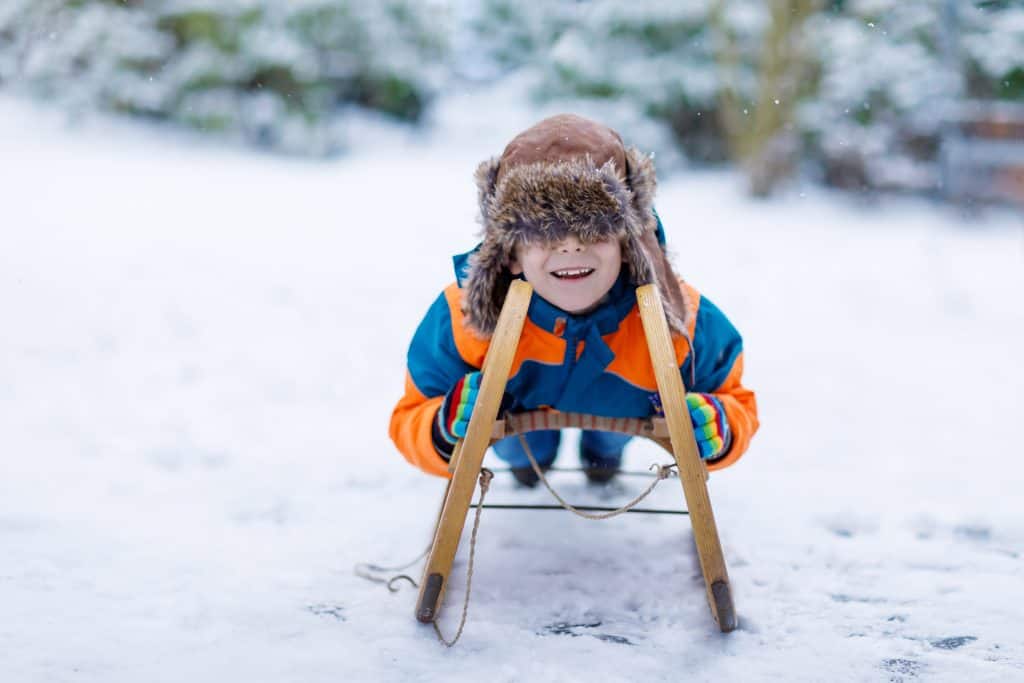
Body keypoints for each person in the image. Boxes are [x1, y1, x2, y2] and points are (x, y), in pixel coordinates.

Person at [389, 113, 758, 486]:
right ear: (511, 254)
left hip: (622, 408)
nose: (570, 247)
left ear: (628, 246)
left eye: (594, 231)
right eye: (544, 233)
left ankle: (604, 453)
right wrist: (441, 427)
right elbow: (411, 413)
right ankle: (531, 460)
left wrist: (718, 426)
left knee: (613, 428)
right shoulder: (464, 316)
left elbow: (734, 398)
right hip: (519, 416)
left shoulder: (681, 316)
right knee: (521, 443)